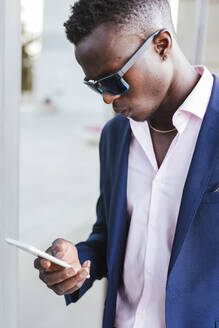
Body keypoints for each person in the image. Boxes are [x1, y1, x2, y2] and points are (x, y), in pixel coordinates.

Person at [34, 0, 219, 327]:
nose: (106, 98)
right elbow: (110, 235)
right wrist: (78, 261)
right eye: (94, 85)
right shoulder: (115, 136)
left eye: (112, 80)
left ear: (161, 45)